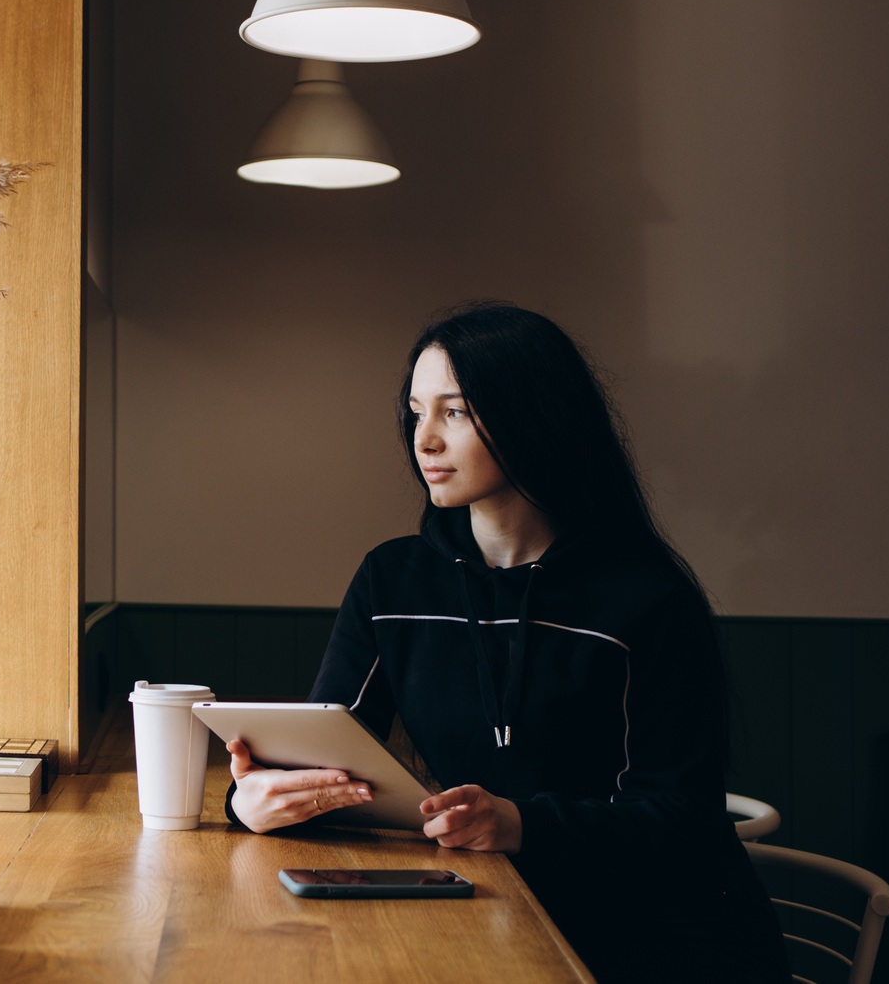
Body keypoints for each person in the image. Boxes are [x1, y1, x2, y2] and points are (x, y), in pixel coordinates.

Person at [224, 303, 786, 984]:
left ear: (534, 417)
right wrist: (255, 803)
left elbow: (682, 816)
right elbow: (325, 756)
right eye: (416, 411)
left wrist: (524, 824)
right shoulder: (392, 579)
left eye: (454, 412)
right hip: (489, 910)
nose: (423, 439)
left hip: (659, 934)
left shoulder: (645, 596)